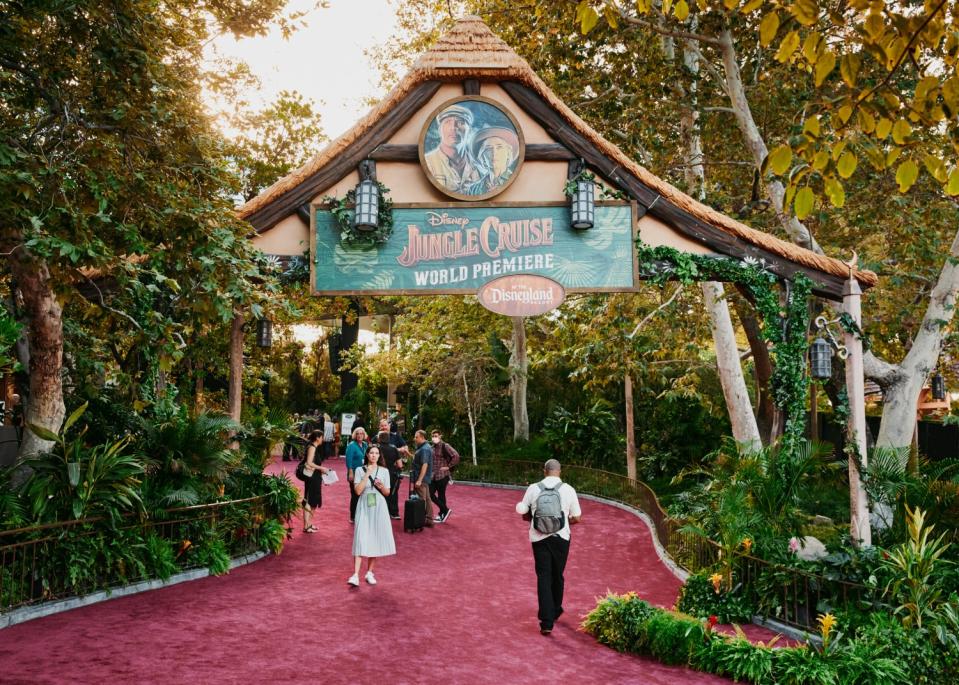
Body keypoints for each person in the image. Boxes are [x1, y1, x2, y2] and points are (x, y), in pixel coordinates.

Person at [515, 459, 582, 635]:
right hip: (561, 537)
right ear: (560, 471)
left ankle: (546, 622)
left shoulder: (533, 488)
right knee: (557, 575)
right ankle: (556, 609)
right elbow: (577, 517)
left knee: (543, 576)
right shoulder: (568, 490)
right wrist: (562, 523)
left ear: (544, 471)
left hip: (539, 538)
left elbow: (524, 513)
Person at [348, 445, 396, 586]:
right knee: (360, 537)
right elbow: (357, 491)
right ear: (367, 455)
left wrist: (381, 486)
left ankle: (369, 572)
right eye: (371, 453)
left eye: (376, 453)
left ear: (379, 456)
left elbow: (387, 493)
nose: (374, 455)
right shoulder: (359, 470)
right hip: (364, 504)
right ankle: (355, 575)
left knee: (375, 536)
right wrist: (367, 474)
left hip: (379, 506)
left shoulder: (384, 471)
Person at [424, 104, 479, 194]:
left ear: (469, 130)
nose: (453, 127)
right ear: (439, 130)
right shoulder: (428, 162)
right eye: (447, 122)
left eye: (460, 122)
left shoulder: (480, 166)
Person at [465, 127, 520, 196]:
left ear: (508, 153)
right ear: (482, 156)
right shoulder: (473, 189)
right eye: (488, 148)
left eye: (499, 147)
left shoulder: (517, 181)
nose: (494, 153)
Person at [301, 431, 332, 533]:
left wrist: (321, 471)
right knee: (309, 500)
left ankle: (309, 524)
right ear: (318, 438)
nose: (323, 439)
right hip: (312, 477)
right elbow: (309, 463)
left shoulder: (314, 447)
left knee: (313, 500)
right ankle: (306, 526)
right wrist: (321, 468)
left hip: (315, 476)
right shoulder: (312, 447)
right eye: (322, 437)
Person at [429, 429, 460, 523]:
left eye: (436, 436)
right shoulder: (432, 447)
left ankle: (442, 514)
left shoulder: (445, 446)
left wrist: (448, 466)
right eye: (433, 436)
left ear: (440, 436)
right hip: (434, 476)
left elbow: (456, 456)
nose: (434, 438)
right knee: (430, 493)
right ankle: (445, 510)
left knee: (441, 495)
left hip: (443, 475)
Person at [376, 430, 404, 520]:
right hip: (392, 474)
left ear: (379, 439)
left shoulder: (377, 448)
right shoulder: (394, 448)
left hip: (379, 473)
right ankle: (394, 513)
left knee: (379, 492)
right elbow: (400, 465)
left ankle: (381, 513)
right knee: (393, 493)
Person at [410, 429, 435, 528]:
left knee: (421, 499)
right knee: (427, 499)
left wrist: (419, 480)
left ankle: (420, 520)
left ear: (422, 437)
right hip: (425, 478)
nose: (415, 439)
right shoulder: (426, 447)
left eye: (416, 437)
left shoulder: (424, 449)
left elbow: (424, 465)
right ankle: (429, 519)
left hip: (421, 478)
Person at [345, 427, 368, 523]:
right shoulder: (351, 445)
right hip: (354, 473)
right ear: (355, 435)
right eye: (358, 433)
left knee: (364, 494)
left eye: (361, 433)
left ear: (364, 435)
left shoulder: (365, 444)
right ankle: (353, 516)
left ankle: (362, 515)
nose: (359, 435)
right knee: (355, 495)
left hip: (364, 473)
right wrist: (350, 472)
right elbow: (348, 460)